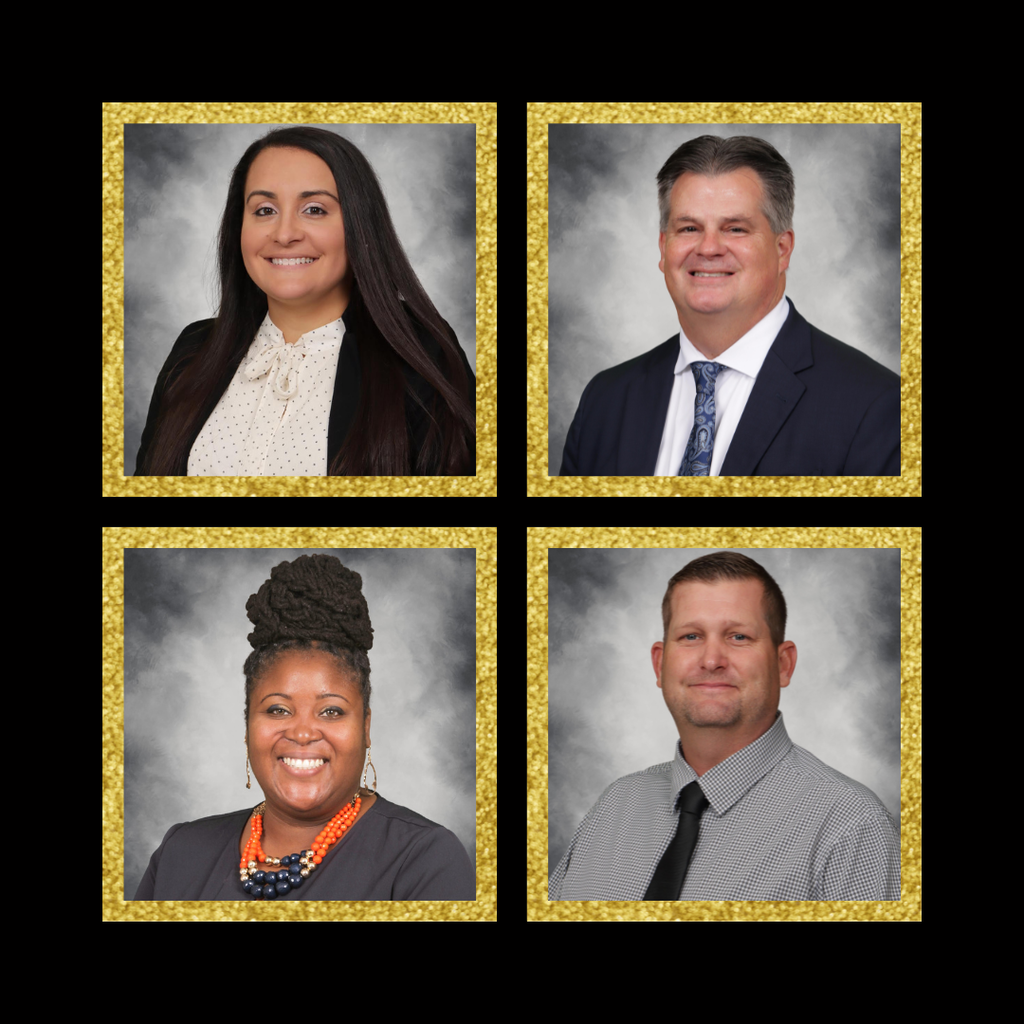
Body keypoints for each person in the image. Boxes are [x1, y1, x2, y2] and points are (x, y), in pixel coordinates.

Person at [549, 552, 900, 900]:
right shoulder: (614, 806)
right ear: (660, 664)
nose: (711, 660)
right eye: (691, 636)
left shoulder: (851, 825)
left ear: (783, 664)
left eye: (738, 637)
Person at [135, 126, 475, 476]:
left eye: (314, 209)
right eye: (264, 210)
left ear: (359, 224)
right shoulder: (194, 349)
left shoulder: (420, 355)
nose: (284, 234)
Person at [134, 553, 475, 900]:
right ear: (248, 726)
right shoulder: (181, 854)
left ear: (366, 727)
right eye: (278, 710)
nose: (301, 733)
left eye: (331, 711)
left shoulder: (425, 860)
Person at [559, 135, 900, 476]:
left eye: (735, 229)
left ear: (782, 249)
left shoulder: (875, 406)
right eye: (689, 228)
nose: (708, 248)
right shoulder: (605, 401)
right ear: (664, 248)